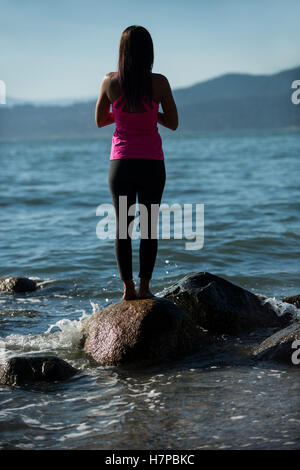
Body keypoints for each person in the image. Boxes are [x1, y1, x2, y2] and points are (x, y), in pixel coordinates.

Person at [95, 25, 178, 300]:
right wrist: (151, 114)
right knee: (150, 226)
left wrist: (122, 117)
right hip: (152, 163)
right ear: (149, 52)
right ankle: (145, 288)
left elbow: (99, 120)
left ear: (122, 51)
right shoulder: (160, 82)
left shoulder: (109, 82)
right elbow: (174, 123)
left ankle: (128, 290)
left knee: (123, 228)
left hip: (121, 164)